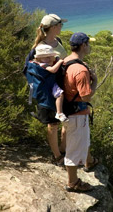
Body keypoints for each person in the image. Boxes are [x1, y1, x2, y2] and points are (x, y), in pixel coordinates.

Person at [63, 32, 99, 192]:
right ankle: (73, 182)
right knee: (74, 149)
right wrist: (95, 82)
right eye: (88, 44)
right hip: (77, 115)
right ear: (83, 45)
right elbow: (85, 97)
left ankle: (89, 161)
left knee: (81, 142)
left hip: (66, 110)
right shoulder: (80, 70)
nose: (89, 46)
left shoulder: (65, 61)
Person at [32, 13, 68, 166]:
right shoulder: (40, 48)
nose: (61, 27)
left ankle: (63, 149)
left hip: (62, 87)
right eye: (60, 24)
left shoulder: (57, 41)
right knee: (53, 125)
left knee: (66, 120)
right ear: (54, 27)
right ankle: (57, 155)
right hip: (48, 91)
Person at [32, 44, 69, 122]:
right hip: (49, 85)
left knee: (60, 95)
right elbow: (53, 70)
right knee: (60, 95)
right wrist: (59, 62)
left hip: (49, 84)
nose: (49, 59)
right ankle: (59, 113)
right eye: (46, 57)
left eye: (50, 56)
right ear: (38, 58)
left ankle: (59, 112)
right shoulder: (42, 64)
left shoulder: (42, 62)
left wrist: (57, 59)